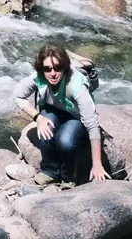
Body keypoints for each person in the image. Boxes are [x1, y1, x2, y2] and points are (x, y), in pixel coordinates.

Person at [13, 44, 108, 185]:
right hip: (51, 108)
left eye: (57, 68)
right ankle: (49, 171)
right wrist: (38, 118)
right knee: (45, 133)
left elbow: (92, 125)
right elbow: (18, 96)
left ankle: (68, 177)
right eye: (47, 69)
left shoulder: (76, 86)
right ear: (41, 69)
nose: (52, 73)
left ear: (64, 67)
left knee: (65, 142)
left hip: (74, 116)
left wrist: (97, 164)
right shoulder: (38, 77)